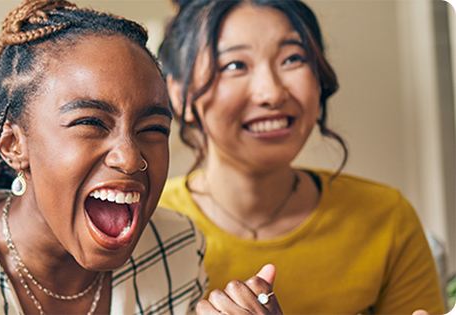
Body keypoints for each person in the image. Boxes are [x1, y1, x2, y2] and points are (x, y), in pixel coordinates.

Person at [0, 0, 216, 313]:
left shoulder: (177, 246)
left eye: (153, 128)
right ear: (14, 145)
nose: (129, 157)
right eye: (90, 122)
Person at [157, 0, 445, 314]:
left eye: (293, 59)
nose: (272, 93)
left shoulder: (387, 219)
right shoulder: (148, 229)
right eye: (235, 65)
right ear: (179, 94)